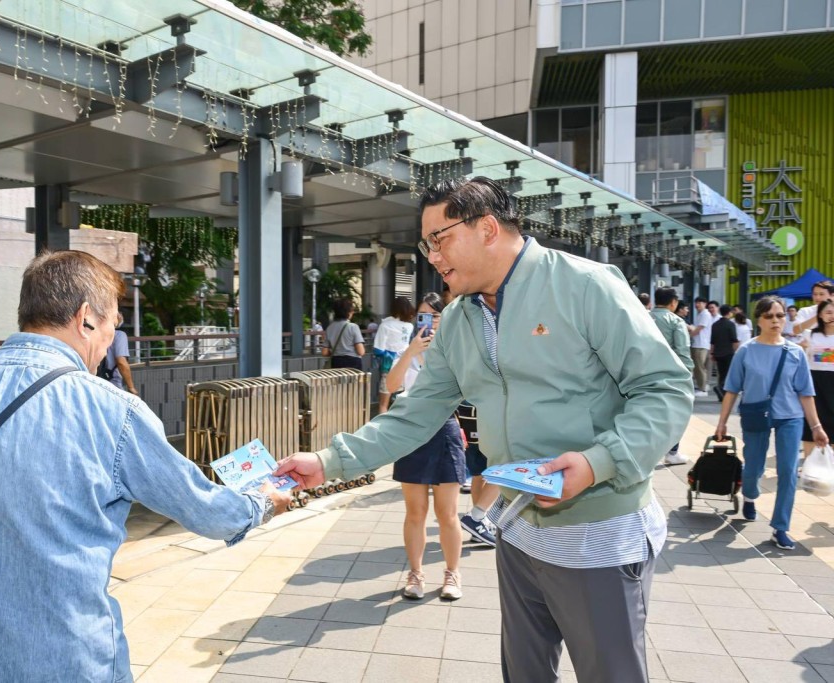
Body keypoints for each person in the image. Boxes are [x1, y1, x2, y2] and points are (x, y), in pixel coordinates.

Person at [276, 176, 692, 682]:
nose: (431, 255)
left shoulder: (585, 285)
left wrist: (596, 462)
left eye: (440, 239)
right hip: (515, 527)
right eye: (425, 243)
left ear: (488, 228)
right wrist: (327, 462)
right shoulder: (458, 320)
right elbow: (415, 415)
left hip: (599, 534)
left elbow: (666, 389)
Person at [0, 251, 291, 683]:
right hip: (66, 661)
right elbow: (208, 511)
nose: (111, 339)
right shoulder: (114, 412)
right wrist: (261, 501)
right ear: (86, 317)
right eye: (113, 323)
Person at [715, 296, 828, 550]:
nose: (776, 320)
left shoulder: (795, 352)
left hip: (790, 417)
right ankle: (750, 495)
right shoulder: (746, 350)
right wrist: (721, 423)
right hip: (755, 414)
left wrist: (817, 426)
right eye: (769, 316)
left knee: (788, 472)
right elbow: (732, 389)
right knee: (754, 466)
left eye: (780, 315)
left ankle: (780, 527)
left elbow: (805, 392)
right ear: (759, 320)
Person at [384, 292, 467, 600]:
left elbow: (465, 386)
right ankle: (416, 574)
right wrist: (411, 351)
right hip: (411, 434)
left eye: (434, 316)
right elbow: (392, 386)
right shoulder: (407, 350)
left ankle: (452, 573)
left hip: (444, 430)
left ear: (444, 318)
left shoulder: (452, 349)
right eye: (422, 315)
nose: (428, 321)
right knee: (415, 511)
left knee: (447, 513)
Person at [651, 287, 694, 465]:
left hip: (639, 373)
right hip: (669, 375)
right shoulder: (676, 321)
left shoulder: (641, 316)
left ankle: (646, 453)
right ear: (673, 302)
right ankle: (672, 452)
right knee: (674, 412)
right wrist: (688, 374)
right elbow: (683, 351)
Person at [456, 400, 500, 547]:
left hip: (468, 420)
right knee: (504, 472)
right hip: (487, 422)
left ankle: (479, 522)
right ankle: (477, 517)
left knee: (479, 475)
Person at [801, 301, 834, 461]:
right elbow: (794, 348)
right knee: (811, 421)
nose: (832, 316)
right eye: (828, 312)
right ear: (820, 315)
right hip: (814, 382)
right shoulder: (811, 334)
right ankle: (808, 463)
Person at [373, 296, 416, 413]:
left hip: (389, 366)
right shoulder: (410, 326)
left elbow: (378, 349)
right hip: (407, 366)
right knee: (403, 404)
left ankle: (382, 430)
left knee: (383, 405)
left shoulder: (385, 325)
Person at [321, 298, 365, 370]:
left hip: (336, 362)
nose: (353, 312)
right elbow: (361, 351)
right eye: (352, 310)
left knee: (337, 381)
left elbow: (324, 352)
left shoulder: (330, 328)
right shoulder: (353, 327)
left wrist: (337, 352)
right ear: (348, 312)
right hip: (353, 364)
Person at [103, 312, 139, 395]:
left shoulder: (93, 334)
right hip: (112, 382)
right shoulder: (119, 335)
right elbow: (121, 362)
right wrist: (131, 387)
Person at [711, 305, 739, 402]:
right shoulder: (731, 324)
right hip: (728, 353)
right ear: (729, 313)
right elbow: (734, 340)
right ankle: (720, 388)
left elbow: (712, 341)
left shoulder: (715, 325)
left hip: (718, 353)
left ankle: (721, 395)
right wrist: (736, 352)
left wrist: (712, 353)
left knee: (721, 373)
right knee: (727, 374)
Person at [690, 297, 713, 396]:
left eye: (699, 302)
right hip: (697, 344)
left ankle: (703, 389)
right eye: (696, 302)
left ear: (705, 304)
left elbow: (699, 329)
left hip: (701, 344)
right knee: (697, 367)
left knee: (700, 367)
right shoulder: (700, 314)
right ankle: (701, 386)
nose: (697, 304)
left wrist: (689, 335)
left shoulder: (705, 314)